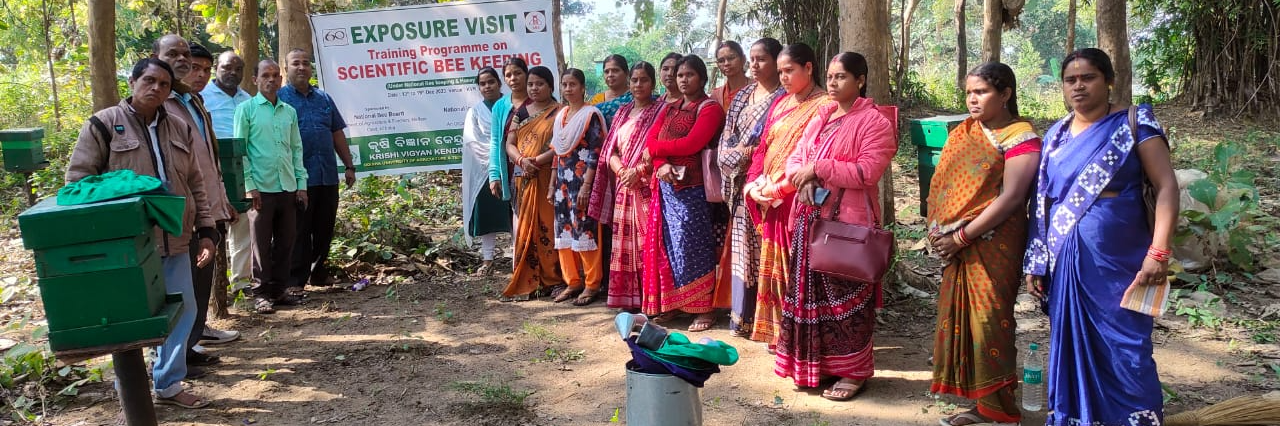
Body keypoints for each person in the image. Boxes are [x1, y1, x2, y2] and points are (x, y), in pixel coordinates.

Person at [1023, 48, 1176, 426]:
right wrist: (1037, 260)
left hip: (1119, 255)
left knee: (1126, 344)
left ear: (1108, 81)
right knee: (1070, 342)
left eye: (1087, 77)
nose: (1078, 86)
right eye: (1070, 80)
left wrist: (1158, 253)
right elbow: (1042, 200)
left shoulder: (1133, 122)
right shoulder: (1056, 134)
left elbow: (1167, 186)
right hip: (1066, 258)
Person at [67, 57, 216, 409]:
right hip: (129, 246)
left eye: (164, 85)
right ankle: (131, 400)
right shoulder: (103, 125)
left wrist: (206, 228)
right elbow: (77, 182)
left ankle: (167, 384)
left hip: (176, 238)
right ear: (133, 83)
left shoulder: (178, 127)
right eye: (149, 81)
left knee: (184, 310)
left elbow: (195, 181)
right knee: (132, 320)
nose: (156, 88)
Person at [777, 52, 896, 401]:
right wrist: (804, 177)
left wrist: (820, 169)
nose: (832, 83)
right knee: (811, 299)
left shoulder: (874, 122)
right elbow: (796, 159)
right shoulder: (822, 115)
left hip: (847, 226)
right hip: (810, 220)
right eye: (830, 77)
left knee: (846, 301)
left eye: (841, 76)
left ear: (860, 80)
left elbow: (866, 172)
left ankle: (853, 372)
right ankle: (818, 367)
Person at [928, 62, 1041, 426]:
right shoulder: (965, 132)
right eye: (969, 93)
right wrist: (938, 230)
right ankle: (980, 406)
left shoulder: (1020, 135)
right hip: (956, 243)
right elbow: (945, 184)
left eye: (982, 92)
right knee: (965, 323)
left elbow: (1012, 198)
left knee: (990, 321)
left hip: (995, 242)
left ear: (1005, 94)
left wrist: (961, 236)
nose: (973, 99)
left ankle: (1001, 410)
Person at [153, 35, 240, 368]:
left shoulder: (194, 103)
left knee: (199, 284)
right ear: (156, 58)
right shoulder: (159, 101)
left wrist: (221, 201)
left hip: (206, 209)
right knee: (178, 289)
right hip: (175, 215)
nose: (183, 61)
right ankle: (172, 360)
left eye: (186, 54)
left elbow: (208, 160)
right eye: (172, 54)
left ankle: (188, 349)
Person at [744, 43, 829, 347]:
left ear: (808, 68)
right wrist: (753, 186)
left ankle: (799, 335)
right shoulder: (780, 104)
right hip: (770, 199)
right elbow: (763, 148)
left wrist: (779, 189)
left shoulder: (825, 106)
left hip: (800, 200)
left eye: (789, 70)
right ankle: (779, 331)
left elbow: (817, 158)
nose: (783, 77)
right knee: (777, 267)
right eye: (779, 71)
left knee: (800, 268)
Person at [641, 55, 726, 331]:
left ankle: (704, 309)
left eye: (689, 75)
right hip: (667, 189)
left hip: (694, 190)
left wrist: (655, 153)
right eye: (680, 76)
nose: (683, 80)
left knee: (694, 247)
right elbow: (651, 140)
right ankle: (675, 304)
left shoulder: (709, 108)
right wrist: (660, 164)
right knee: (670, 248)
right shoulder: (671, 107)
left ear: (702, 78)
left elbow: (693, 144)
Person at [718, 38, 786, 338]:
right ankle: (743, 318)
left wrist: (751, 155)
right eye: (753, 59)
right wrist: (742, 155)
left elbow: (773, 142)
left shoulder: (785, 98)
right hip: (742, 186)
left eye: (762, 60)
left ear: (776, 62)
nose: (755, 65)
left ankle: (772, 322)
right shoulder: (744, 95)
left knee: (767, 250)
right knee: (743, 251)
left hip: (771, 185)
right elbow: (726, 141)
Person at [278, 48, 357, 296]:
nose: (301, 67)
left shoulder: (323, 98)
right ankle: (294, 279)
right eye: (295, 63)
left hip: (326, 175)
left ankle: (319, 272)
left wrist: (349, 165)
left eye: (305, 63)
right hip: (298, 177)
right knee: (299, 229)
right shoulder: (280, 99)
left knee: (325, 227)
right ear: (286, 68)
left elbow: (336, 133)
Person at [234, 59, 308, 314]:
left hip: (287, 185)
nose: (272, 80)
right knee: (260, 244)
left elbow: (296, 149)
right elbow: (240, 151)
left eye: (276, 75)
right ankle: (260, 293)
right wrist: (249, 185)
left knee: (286, 241)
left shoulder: (289, 111)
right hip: (261, 188)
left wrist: (301, 184)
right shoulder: (246, 110)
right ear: (254, 79)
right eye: (266, 75)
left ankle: (279, 290)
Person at [589, 62, 663, 311]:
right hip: (624, 186)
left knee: (647, 243)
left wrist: (638, 171)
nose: (638, 85)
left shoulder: (660, 110)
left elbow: (659, 149)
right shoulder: (622, 112)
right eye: (634, 80)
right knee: (623, 245)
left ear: (653, 83)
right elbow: (611, 150)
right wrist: (621, 171)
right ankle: (626, 298)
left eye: (643, 80)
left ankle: (648, 298)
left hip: (646, 186)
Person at [501, 66, 564, 301]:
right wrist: (520, 160)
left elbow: (560, 145)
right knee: (525, 227)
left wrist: (535, 161)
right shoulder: (522, 112)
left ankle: (554, 279)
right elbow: (510, 142)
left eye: (539, 84)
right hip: (523, 176)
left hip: (548, 176)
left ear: (550, 86)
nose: (534, 88)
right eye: (531, 84)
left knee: (549, 225)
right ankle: (529, 277)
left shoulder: (559, 112)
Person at [548, 69, 607, 306]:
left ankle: (592, 284)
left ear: (583, 87)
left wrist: (587, 186)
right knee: (563, 231)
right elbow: (557, 152)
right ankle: (572, 281)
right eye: (565, 84)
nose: (568, 89)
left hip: (582, 183)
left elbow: (596, 152)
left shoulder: (590, 115)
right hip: (562, 183)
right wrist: (552, 184)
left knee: (585, 230)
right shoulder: (561, 115)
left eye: (573, 84)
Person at [201, 51, 253, 291]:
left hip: (242, 167)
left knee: (241, 225)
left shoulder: (247, 99)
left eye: (238, 68)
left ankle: (241, 284)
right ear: (216, 69)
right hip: (211, 167)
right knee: (212, 226)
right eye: (227, 67)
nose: (233, 73)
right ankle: (213, 287)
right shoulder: (202, 96)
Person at [462, 67, 513, 275]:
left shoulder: (511, 105)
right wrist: (494, 163)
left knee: (514, 214)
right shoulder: (474, 112)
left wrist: (506, 157)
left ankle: (518, 257)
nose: (487, 86)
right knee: (488, 217)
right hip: (485, 172)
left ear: (499, 83)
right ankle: (488, 258)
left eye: (491, 82)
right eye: (482, 83)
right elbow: (472, 141)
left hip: (512, 165)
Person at [488, 57, 531, 203]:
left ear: (526, 74)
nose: (513, 78)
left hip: (537, 165)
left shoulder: (540, 99)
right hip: (512, 168)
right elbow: (495, 142)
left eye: (518, 73)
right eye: (508, 75)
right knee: (517, 215)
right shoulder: (500, 106)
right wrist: (494, 175)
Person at [589, 54, 634, 124]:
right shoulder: (598, 99)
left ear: (627, 72)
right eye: (606, 72)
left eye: (615, 70)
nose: (610, 75)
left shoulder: (636, 96)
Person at [710, 41, 750, 109]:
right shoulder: (716, 95)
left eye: (731, 58)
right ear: (717, 65)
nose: (726, 64)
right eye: (721, 61)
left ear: (743, 59)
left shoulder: (758, 88)